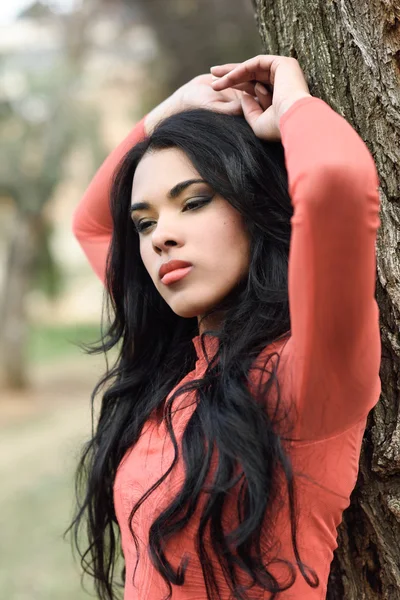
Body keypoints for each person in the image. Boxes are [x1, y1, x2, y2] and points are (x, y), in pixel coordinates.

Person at [69, 55, 382, 600]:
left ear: (253, 206)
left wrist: (291, 105)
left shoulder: (306, 377)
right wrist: (166, 116)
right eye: (145, 223)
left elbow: (334, 182)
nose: (161, 236)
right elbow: (94, 224)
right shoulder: (174, 367)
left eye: (193, 202)